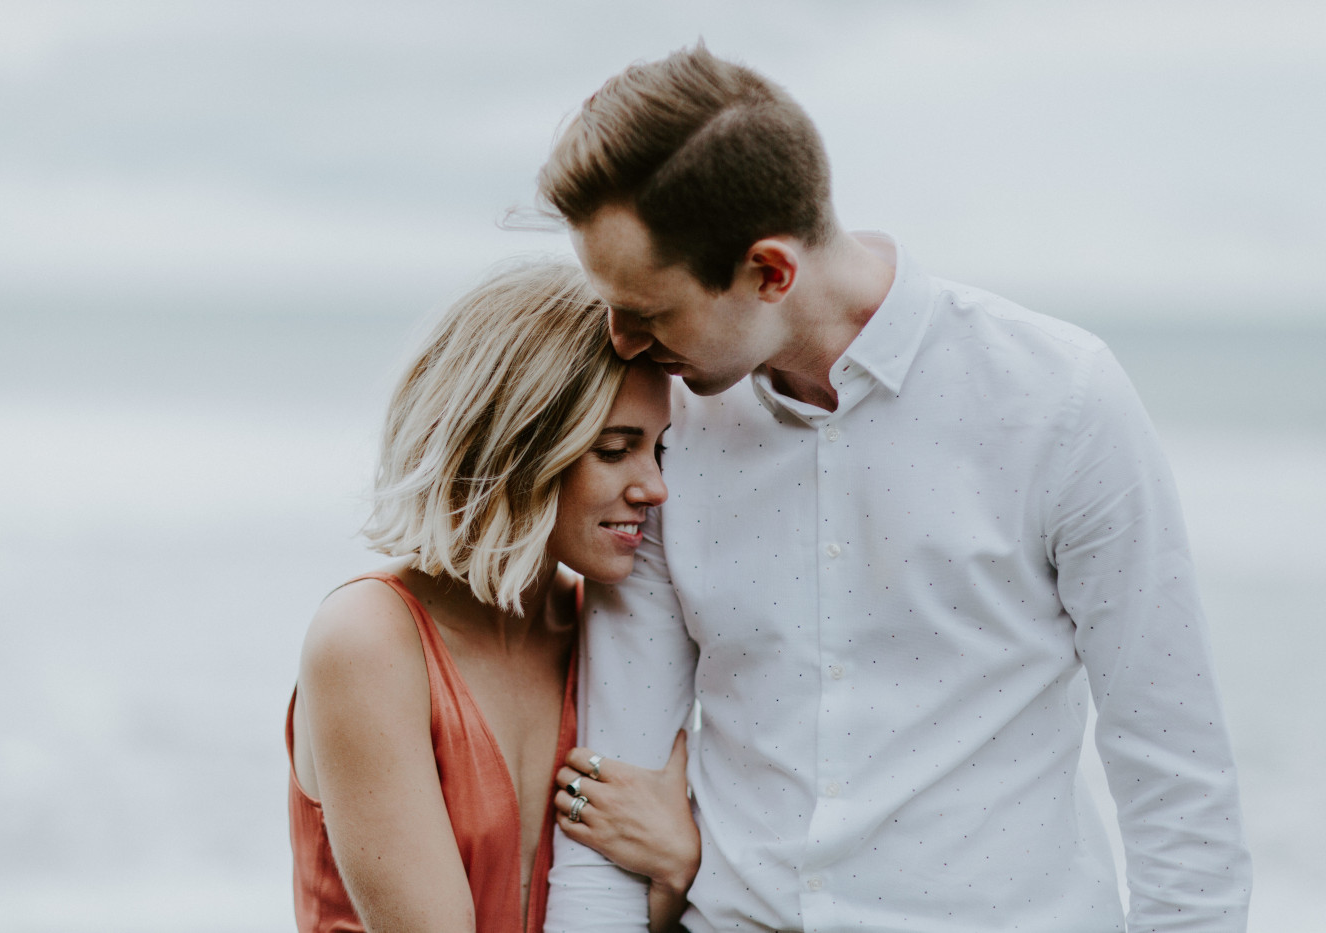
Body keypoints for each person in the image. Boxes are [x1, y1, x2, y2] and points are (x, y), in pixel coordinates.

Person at [538, 44, 1252, 932]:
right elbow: (606, 803)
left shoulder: (1059, 399)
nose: (621, 340)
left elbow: (1175, 772)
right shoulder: (662, 440)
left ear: (769, 271)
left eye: (648, 310)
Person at [284, 260, 698, 933]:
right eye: (616, 448)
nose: (654, 486)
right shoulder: (369, 639)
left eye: (661, 450)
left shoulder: (612, 633)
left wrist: (679, 865)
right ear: (517, 444)